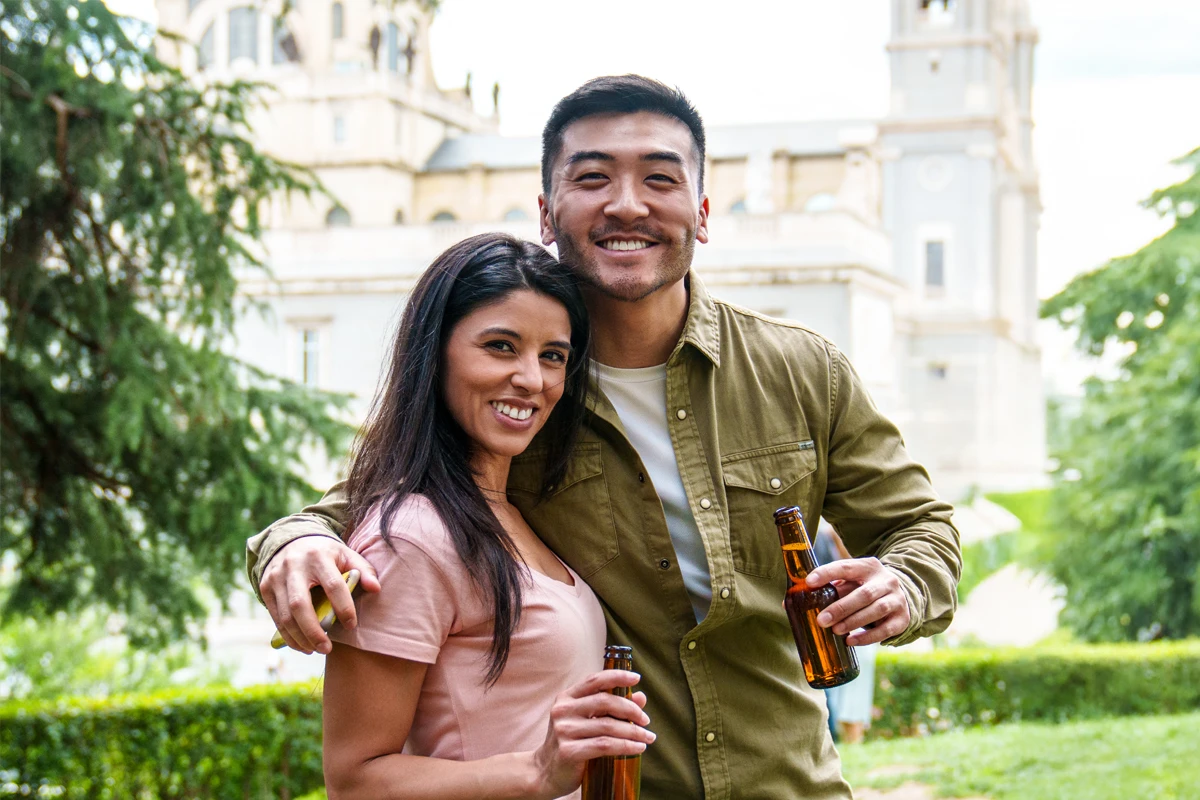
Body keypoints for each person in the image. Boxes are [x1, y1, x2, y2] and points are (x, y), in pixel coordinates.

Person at [248, 76, 961, 798]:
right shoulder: (521, 395)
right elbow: (375, 504)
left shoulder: (803, 371)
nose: (627, 204)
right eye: (593, 178)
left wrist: (902, 582)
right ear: (547, 214)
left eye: (660, 178)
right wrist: (293, 542)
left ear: (703, 212)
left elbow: (920, 526)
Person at [319, 233, 655, 799]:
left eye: (553, 355)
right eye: (501, 346)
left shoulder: (513, 511)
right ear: (436, 351)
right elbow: (355, 781)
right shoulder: (412, 538)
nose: (533, 379)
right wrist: (536, 771)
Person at [815, 521, 881, 746]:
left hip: (854, 628)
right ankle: (844, 737)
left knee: (855, 683)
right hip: (832, 630)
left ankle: (853, 737)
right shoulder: (821, 543)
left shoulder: (848, 549)